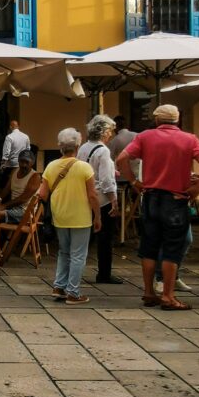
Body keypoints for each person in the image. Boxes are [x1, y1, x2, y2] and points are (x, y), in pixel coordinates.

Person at [117, 104, 199, 311]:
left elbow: (122, 158)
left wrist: (134, 182)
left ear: (156, 120)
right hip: (176, 199)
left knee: (149, 247)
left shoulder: (145, 136)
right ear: (177, 120)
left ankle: (148, 292)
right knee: (172, 248)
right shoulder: (189, 139)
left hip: (151, 197)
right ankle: (168, 296)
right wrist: (197, 188)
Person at [38, 127, 101, 305]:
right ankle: (73, 292)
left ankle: (59, 286)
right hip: (80, 216)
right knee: (78, 254)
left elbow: (42, 194)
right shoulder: (84, 167)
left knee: (64, 252)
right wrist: (98, 216)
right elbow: (92, 195)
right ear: (78, 146)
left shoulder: (51, 166)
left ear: (60, 146)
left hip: (60, 214)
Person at [78, 114, 121, 284]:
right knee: (105, 239)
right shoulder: (103, 151)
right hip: (102, 200)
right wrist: (114, 200)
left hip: (86, 196)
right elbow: (106, 181)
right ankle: (104, 273)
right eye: (110, 130)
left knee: (84, 238)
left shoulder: (83, 148)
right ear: (103, 132)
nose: (111, 134)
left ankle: (76, 270)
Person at [0, 149, 41, 225]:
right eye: (22, 161)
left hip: (25, 212)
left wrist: (4, 206)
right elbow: (6, 190)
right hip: (13, 207)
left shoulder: (35, 176)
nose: (24, 165)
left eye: (27, 162)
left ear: (32, 163)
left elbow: (23, 199)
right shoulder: (14, 171)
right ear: (18, 161)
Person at [0, 119, 31, 188]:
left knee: (7, 182)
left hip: (12, 164)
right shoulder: (26, 136)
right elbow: (28, 150)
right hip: (22, 163)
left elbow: (6, 153)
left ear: (10, 127)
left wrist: (2, 164)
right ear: (18, 126)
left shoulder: (9, 137)